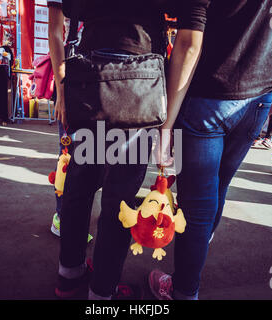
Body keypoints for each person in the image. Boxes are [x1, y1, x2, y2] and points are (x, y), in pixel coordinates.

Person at [149, 0, 272, 300]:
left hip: (207, 97)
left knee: (196, 206)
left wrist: (165, 126)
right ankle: (193, 264)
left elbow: (188, 44)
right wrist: (258, 66)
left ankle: (183, 290)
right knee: (218, 188)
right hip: (257, 101)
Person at [54, 0, 205, 300]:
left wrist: (61, 89)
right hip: (140, 80)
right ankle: (102, 292)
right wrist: (166, 126)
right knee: (119, 200)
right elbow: (186, 28)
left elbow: (69, 11)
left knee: (79, 185)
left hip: (90, 75)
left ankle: (69, 275)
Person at [47, 0, 92, 241]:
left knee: (106, 162)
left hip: (112, 82)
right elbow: (55, 32)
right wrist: (62, 91)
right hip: (74, 82)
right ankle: (63, 217)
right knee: (71, 158)